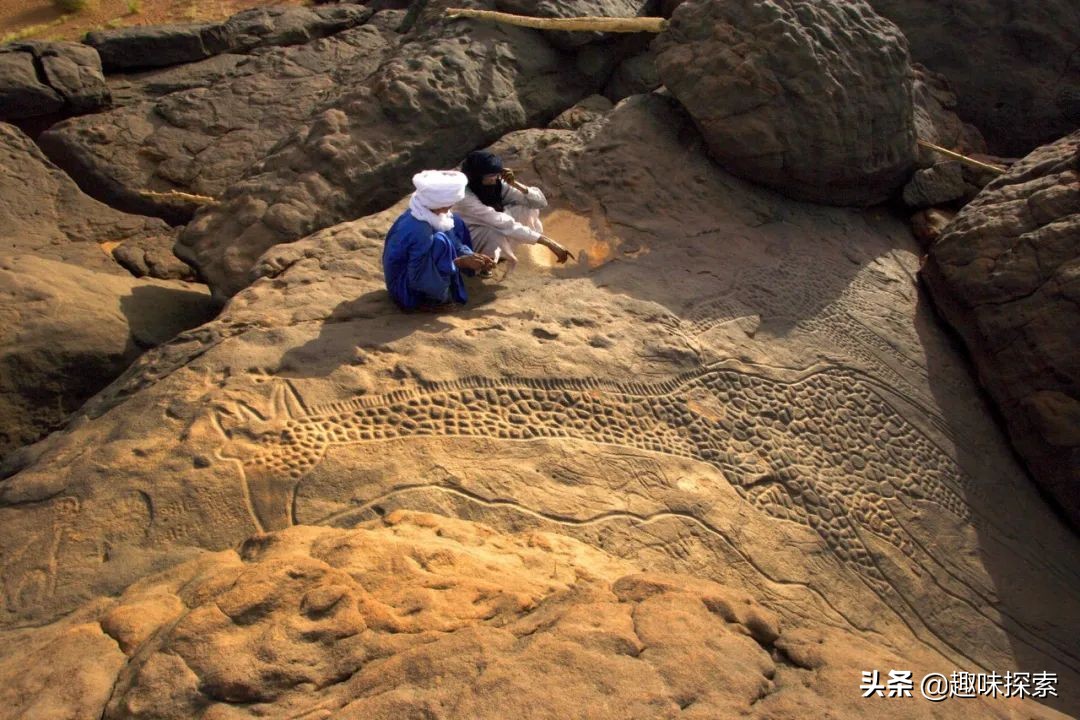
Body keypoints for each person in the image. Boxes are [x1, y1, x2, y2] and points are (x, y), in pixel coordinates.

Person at [382, 169, 495, 311]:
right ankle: (434, 300)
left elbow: (455, 242)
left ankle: (451, 277)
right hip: (406, 288)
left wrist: (471, 256)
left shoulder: (428, 212)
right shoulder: (419, 229)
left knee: (456, 222)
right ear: (440, 203)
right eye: (449, 203)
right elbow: (417, 276)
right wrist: (459, 263)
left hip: (418, 272)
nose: (451, 206)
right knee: (440, 242)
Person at [455, 150, 572, 275]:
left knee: (526, 208)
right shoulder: (464, 196)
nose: (495, 180)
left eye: (496, 175)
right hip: (468, 236)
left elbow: (539, 203)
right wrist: (549, 243)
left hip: (495, 224)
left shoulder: (497, 184)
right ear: (475, 178)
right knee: (493, 232)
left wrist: (515, 184)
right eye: (490, 177)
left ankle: (501, 254)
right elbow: (502, 223)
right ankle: (482, 263)